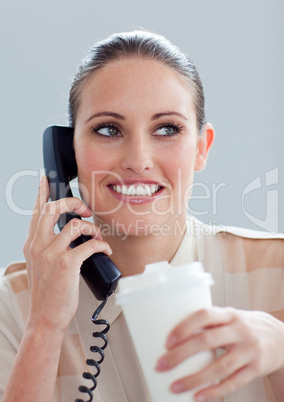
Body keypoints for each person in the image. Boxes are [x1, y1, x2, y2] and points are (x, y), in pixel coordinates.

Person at [0, 30, 284, 402]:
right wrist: (44, 327)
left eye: (167, 129)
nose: (138, 160)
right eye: (108, 129)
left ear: (201, 149)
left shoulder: (276, 271)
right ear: (67, 155)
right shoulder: (13, 305)